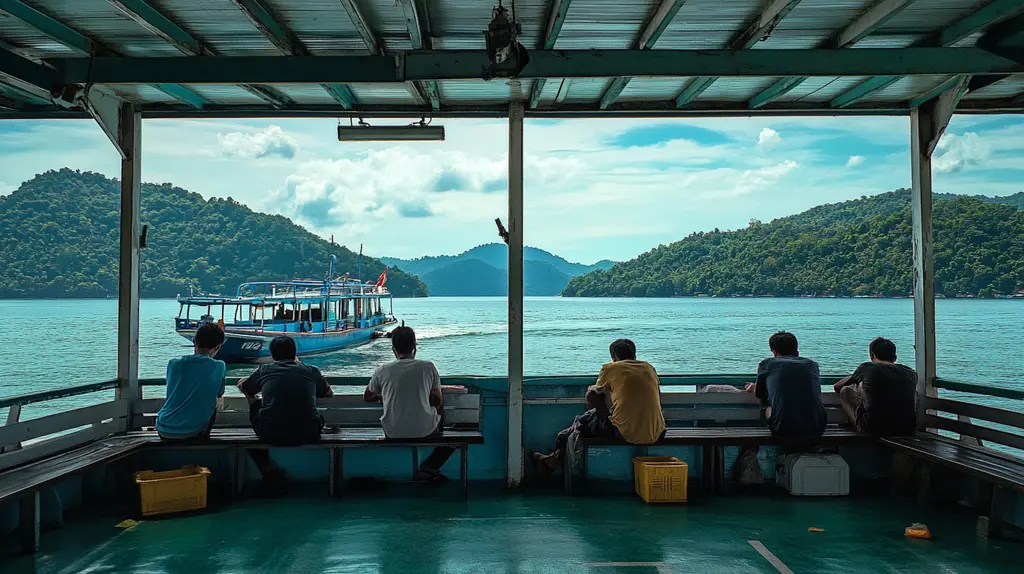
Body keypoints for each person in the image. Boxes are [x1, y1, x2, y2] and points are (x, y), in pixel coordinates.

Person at [533, 339, 666, 473]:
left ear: (614, 356)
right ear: (634, 355)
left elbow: (592, 395)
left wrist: (607, 417)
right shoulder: (649, 368)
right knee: (583, 422)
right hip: (657, 432)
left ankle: (552, 462)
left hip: (623, 433)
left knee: (580, 422)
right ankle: (551, 460)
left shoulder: (610, 368)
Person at [237, 336, 333, 490]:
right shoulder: (310, 371)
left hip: (270, 433)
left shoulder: (265, 370)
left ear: (272, 355)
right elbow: (329, 393)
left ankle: (267, 470)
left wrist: (248, 394)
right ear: (295, 353)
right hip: (308, 432)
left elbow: (245, 387)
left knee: (256, 406)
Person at [363, 326, 452, 481]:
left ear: (393, 349)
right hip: (426, 431)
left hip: (392, 431)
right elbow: (437, 400)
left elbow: (367, 396)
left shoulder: (382, 369)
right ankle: (430, 467)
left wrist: (383, 397)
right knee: (451, 437)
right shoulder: (428, 367)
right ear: (415, 347)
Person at [746, 331, 826, 437]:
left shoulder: (767, 364)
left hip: (783, 428)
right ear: (797, 351)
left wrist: (756, 388)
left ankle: (760, 448)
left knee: (766, 408)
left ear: (773, 351)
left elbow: (761, 396)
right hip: (817, 427)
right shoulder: (812, 365)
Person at [156, 322, 226, 441]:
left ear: (194, 341)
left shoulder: (173, 364)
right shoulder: (219, 366)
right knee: (213, 405)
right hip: (194, 431)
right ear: (218, 346)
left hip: (163, 428)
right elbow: (219, 393)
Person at [834, 337, 917, 436]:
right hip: (906, 429)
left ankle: (857, 425)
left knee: (846, 390)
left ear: (872, 355)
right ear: (894, 358)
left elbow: (837, 387)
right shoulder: (910, 372)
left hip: (875, 429)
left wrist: (853, 378)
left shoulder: (867, 368)